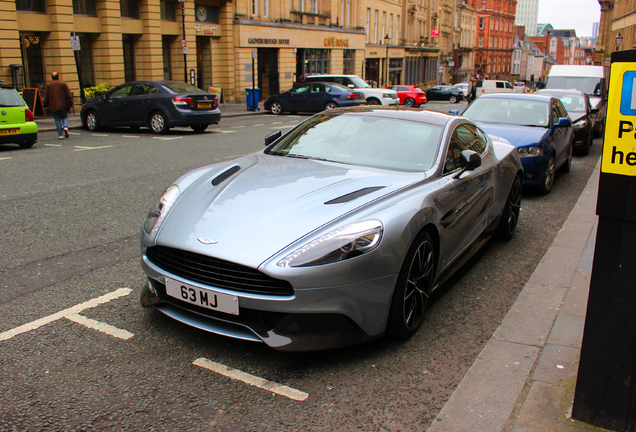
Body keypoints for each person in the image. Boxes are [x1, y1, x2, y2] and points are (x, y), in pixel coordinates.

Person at [43, 72, 73, 140]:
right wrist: (70, 102)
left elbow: (46, 96)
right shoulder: (63, 84)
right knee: (65, 117)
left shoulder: (49, 85)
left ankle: (60, 134)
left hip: (53, 105)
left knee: (57, 119)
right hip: (63, 104)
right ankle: (65, 126)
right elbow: (68, 95)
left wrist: (44, 104)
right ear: (58, 76)